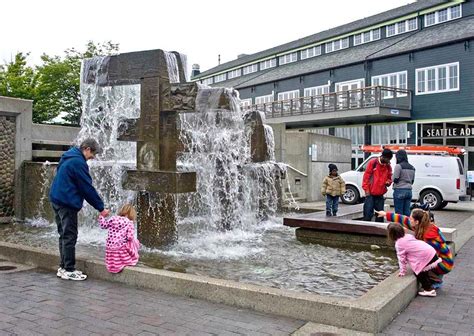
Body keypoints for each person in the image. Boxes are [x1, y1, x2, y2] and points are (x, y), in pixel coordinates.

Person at [49, 138, 109, 281]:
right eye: (93, 153)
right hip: (67, 202)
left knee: (63, 234)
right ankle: (69, 269)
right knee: (70, 236)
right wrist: (101, 208)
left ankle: (63, 267)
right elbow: (86, 188)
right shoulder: (78, 162)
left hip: (57, 199)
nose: (93, 157)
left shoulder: (69, 155)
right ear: (87, 149)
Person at [377, 209, 453, 289]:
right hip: (440, 259)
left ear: (416, 221)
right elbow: (404, 219)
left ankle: (435, 281)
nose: (409, 220)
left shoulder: (430, 237)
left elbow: (431, 257)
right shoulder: (422, 225)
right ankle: (434, 277)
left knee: (418, 268)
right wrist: (385, 214)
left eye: (411, 219)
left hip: (444, 264)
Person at [387, 222, 441, 297]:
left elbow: (401, 259)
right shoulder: (408, 236)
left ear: (391, 234)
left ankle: (429, 290)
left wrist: (402, 271)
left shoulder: (399, 244)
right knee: (424, 270)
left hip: (426, 256)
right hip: (431, 252)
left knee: (418, 272)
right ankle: (433, 283)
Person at [98, 204, 140, 273]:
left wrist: (101, 216)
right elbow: (129, 237)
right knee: (134, 241)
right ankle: (132, 256)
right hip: (120, 250)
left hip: (109, 249)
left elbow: (103, 225)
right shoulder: (129, 223)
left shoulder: (113, 218)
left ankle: (114, 263)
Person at [362, 148, 393, 222]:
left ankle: (378, 231)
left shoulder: (388, 166)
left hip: (380, 194)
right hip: (370, 193)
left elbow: (389, 177)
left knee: (380, 215)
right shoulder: (373, 163)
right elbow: (366, 177)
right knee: (367, 214)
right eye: (388, 159)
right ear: (384, 157)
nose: (389, 161)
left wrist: (388, 182)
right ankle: (365, 230)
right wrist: (366, 190)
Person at [392, 150, 415, 216]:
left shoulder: (398, 166)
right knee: (407, 212)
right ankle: (407, 226)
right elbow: (412, 181)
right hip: (409, 191)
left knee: (399, 214)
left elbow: (395, 179)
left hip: (399, 190)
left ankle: (399, 226)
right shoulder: (412, 167)